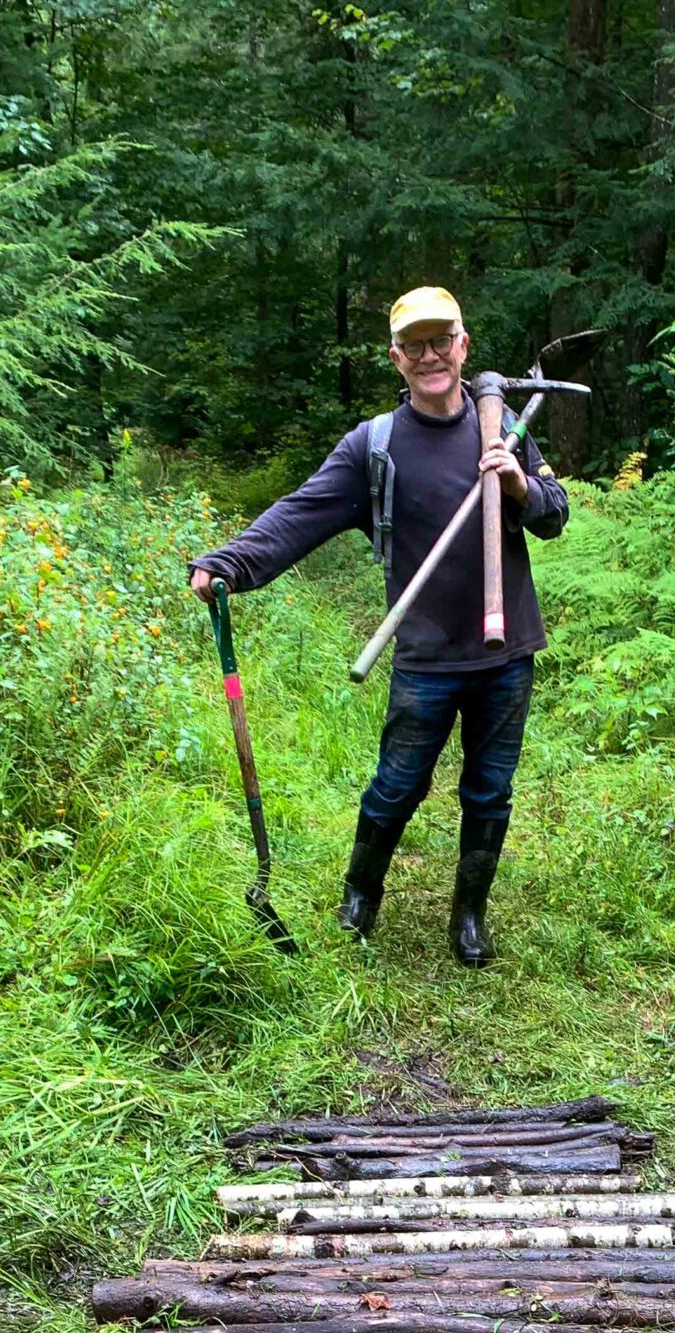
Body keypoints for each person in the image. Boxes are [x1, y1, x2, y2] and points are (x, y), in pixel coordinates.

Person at [189, 286, 569, 967]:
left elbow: (553, 514)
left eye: (441, 341)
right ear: (396, 358)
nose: (430, 355)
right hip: (424, 654)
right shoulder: (376, 445)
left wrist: (518, 483)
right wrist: (229, 563)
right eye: (414, 345)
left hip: (506, 649)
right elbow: (301, 514)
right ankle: (361, 895)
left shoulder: (500, 421)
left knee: (490, 786)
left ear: (463, 346)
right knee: (398, 782)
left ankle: (470, 916)